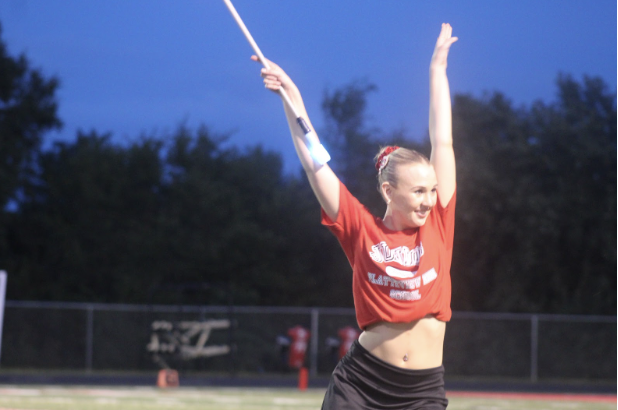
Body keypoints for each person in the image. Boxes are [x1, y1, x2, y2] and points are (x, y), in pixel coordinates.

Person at [253, 23, 458, 410]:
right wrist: (291, 97)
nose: (430, 199)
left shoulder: (439, 223)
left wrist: (437, 71)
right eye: (418, 191)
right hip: (360, 386)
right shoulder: (361, 229)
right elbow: (316, 165)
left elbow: (442, 140)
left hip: (422, 392)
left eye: (432, 189)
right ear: (388, 192)